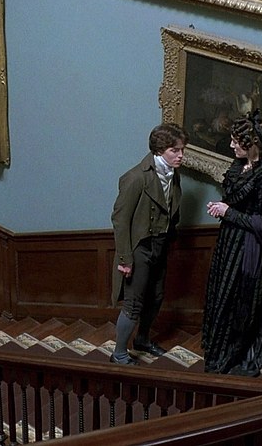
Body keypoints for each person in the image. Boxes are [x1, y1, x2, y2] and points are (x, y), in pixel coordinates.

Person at [201, 109, 262, 377]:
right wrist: (223, 209)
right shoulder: (238, 167)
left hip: (248, 248)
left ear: (251, 144)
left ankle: (234, 353)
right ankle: (218, 351)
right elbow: (233, 202)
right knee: (222, 294)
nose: (231, 145)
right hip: (229, 242)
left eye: (236, 141)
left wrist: (228, 213)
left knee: (240, 301)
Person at [109, 123, 188, 365]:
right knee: (133, 303)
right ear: (160, 150)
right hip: (139, 248)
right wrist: (125, 259)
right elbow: (120, 220)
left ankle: (142, 340)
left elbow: (171, 209)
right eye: (175, 150)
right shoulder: (136, 178)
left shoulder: (173, 174)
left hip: (160, 245)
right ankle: (119, 353)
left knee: (156, 296)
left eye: (182, 149)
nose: (181, 155)